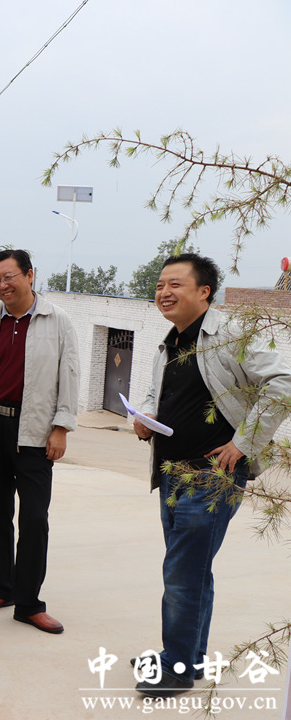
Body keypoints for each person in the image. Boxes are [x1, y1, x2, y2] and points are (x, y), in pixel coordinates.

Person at [132, 253, 291, 697]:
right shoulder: (170, 342)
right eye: (160, 284)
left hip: (211, 477)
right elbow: (155, 393)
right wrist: (145, 416)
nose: (164, 292)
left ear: (204, 292)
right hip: (171, 474)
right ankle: (187, 657)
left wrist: (244, 442)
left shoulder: (230, 334)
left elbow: (283, 381)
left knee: (182, 572)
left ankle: (177, 667)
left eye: (175, 284)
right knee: (192, 571)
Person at [0, 249, 78, 635]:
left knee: (34, 519)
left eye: (9, 277)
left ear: (29, 275)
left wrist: (61, 427)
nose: (2, 285)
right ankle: (2, 587)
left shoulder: (58, 322)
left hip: (35, 433)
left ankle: (29, 603)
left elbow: (69, 376)